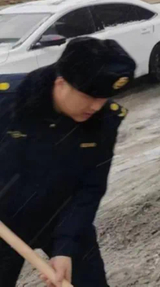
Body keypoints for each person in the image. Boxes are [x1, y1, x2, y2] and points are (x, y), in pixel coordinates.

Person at [0, 37, 136, 287]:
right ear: (60, 82)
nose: (96, 106)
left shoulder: (103, 120)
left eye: (103, 97)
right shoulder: (8, 100)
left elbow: (91, 186)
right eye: (89, 95)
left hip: (62, 218)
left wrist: (65, 247)